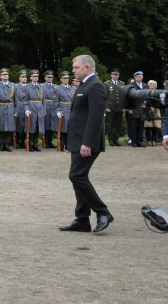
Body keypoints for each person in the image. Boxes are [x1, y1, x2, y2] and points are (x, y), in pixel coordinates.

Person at [59, 54, 113, 233]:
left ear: (87, 68)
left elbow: (96, 118)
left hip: (87, 141)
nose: (73, 70)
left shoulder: (96, 85)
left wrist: (87, 143)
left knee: (77, 176)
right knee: (78, 177)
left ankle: (103, 212)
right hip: (78, 140)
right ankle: (82, 219)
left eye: (76, 67)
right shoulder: (84, 85)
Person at [25, 69, 46, 152]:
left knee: (38, 126)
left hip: (40, 107)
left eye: (37, 76)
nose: (35, 78)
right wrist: (26, 109)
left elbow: (43, 100)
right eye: (34, 76)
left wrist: (44, 110)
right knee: (31, 126)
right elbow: (25, 100)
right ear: (30, 77)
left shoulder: (41, 87)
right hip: (31, 107)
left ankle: (35, 143)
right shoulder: (27, 87)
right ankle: (30, 144)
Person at [125, 71, 146, 147]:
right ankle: (134, 141)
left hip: (142, 109)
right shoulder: (130, 85)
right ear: (134, 77)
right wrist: (128, 108)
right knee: (133, 126)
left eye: (140, 76)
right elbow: (126, 98)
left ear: (142, 77)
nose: (139, 78)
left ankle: (139, 141)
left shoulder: (145, 85)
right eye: (137, 77)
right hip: (133, 109)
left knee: (141, 126)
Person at [104, 69, 124, 146]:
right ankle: (111, 139)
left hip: (119, 107)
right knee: (110, 124)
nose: (116, 76)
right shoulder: (107, 84)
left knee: (118, 124)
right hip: (110, 108)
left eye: (117, 75)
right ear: (111, 75)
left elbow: (123, 96)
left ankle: (116, 139)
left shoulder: (122, 83)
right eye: (114, 74)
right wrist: (106, 107)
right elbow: (105, 96)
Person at [55, 71, 74, 151]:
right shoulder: (57, 89)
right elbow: (55, 102)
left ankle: (69, 145)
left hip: (71, 109)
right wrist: (58, 111)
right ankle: (62, 144)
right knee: (63, 128)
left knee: (71, 128)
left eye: (67, 78)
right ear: (61, 79)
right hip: (63, 109)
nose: (66, 80)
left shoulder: (71, 88)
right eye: (65, 78)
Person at [144, 79, 161, 146]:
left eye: (154, 84)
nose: (152, 85)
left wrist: (155, 106)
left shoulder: (158, 92)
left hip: (156, 110)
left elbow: (160, 101)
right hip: (147, 110)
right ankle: (148, 140)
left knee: (155, 126)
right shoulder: (145, 92)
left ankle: (154, 140)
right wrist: (149, 107)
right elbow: (144, 101)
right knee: (148, 126)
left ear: (156, 86)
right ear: (148, 85)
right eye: (151, 84)